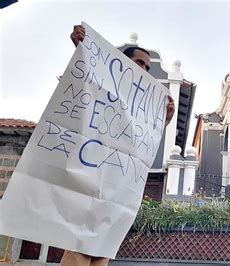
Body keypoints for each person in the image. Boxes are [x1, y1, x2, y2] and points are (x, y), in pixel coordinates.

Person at [60, 25, 176, 266]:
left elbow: (140, 141)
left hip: (118, 185)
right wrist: (81, 49)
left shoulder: (143, 104)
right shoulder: (106, 85)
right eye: (139, 62)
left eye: (147, 67)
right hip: (92, 174)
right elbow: (86, 85)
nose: (143, 68)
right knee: (80, 247)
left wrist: (162, 122)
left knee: (102, 251)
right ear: (122, 64)